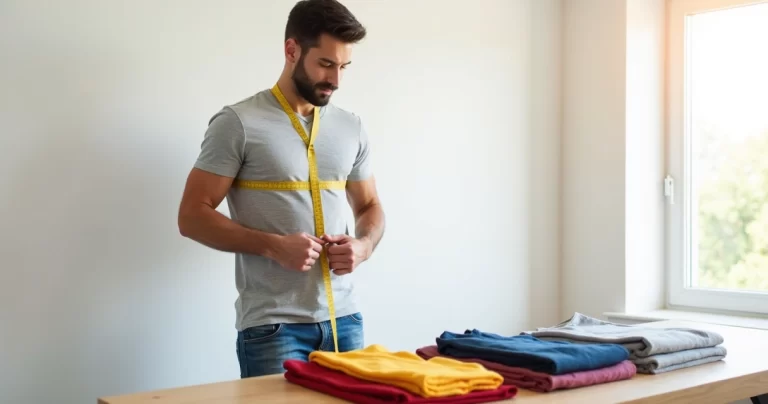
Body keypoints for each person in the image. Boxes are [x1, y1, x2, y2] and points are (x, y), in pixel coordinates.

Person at [177, 0, 385, 378]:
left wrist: (364, 246)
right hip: (274, 328)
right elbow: (192, 216)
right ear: (292, 50)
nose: (336, 80)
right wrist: (273, 245)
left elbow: (369, 205)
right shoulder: (237, 122)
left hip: (345, 321)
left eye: (343, 67)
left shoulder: (350, 126)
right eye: (325, 64)